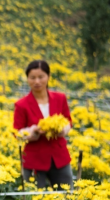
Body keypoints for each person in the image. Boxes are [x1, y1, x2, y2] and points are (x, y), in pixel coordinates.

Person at [14, 60, 73, 190]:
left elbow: (68, 120)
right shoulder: (21, 104)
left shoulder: (60, 98)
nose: (37, 81)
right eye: (32, 77)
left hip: (59, 157)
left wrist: (62, 130)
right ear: (27, 79)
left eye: (41, 77)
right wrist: (32, 132)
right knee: (32, 199)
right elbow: (17, 132)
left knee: (67, 197)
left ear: (48, 77)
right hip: (34, 159)